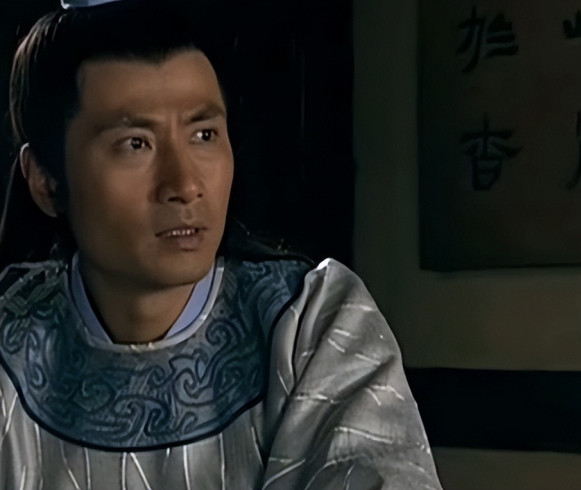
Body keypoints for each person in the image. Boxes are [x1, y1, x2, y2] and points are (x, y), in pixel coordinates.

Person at [0, 0, 443, 488]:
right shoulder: (8, 340)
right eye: (135, 144)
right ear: (44, 181)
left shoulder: (309, 322)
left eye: (204, 134)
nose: (185, 184)